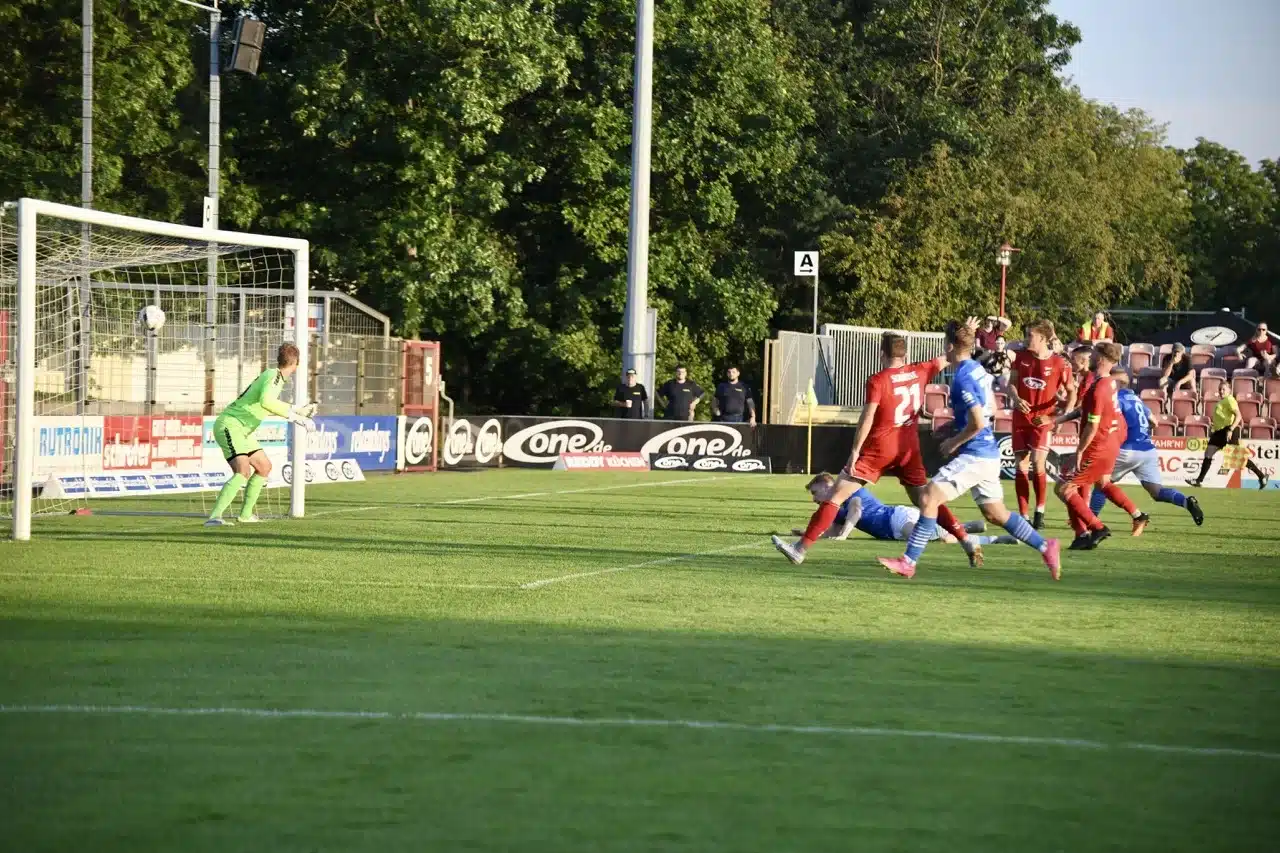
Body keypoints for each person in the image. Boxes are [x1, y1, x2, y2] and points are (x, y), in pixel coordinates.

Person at [770, 330, 987, 568]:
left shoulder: (878, 380)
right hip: (908, 450)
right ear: (905, 354)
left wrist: (855, 450)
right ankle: (966, 541)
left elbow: (868, 417)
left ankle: (800, 549)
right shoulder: (920, 369)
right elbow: (949, 355)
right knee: (927, 501)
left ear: (882, 354)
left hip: (879, 449)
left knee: (836, 496)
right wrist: (965, 334)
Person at [874, 322, 1061, 580]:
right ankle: (1045, 546)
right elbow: (992, 411)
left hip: (975, 454)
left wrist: (955, 441)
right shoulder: (977, 369)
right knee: (995, 513)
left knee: (928, 497)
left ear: (949, 346)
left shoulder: (962, 377)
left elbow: (980, 422)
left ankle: (908, 561)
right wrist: (956, 425)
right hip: (987, 454)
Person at [206, 342, 316, 527]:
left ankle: (245, 515)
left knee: (264, 467)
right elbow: (266, 401)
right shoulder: (274, 376)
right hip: (231, 425)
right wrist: (296, 417)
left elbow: (269, 401)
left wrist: (298, 410)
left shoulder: (274, 376)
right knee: (242, 471)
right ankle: (214, 517)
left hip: (243, 429)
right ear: (296, 363)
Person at [1088, 369, 1204, 526]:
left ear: (1118, 383)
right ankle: (1186, 501)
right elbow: (1154, 422)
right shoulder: (1136, 399)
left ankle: (1089, 519)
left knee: (1102, 483)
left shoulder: (1116, 399)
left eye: (1111, 381)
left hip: (1127, 450)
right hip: (1147, 450)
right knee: (1157, 492)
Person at [792, 474, 1016, 546]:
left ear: (827, 485)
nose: (814, 499)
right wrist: (809, 533)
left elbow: (857, 510)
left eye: (815, 492)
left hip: (897, 519)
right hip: (893, 530)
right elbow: (832, 530)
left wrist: (844, 535)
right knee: (942, 539)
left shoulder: (847, 492)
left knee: (941, 540)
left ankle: (992, 537)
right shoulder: (835, 506)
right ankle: (973, 529)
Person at [1053, 342, 1126, 551]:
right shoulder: (1108, 382)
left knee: (1065, 488)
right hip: (1106, 445)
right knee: (1069, 486)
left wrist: (1079, 451)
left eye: (1093, 354)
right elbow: (1085, 411)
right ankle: (1081, 535)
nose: (1090, 357)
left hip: (1097, 447)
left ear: (1101, 359)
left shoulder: (1099, 387)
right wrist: (1058, 421)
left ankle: (1097, 528)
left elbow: (1093, 425)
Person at [1006, 320, 1073, 529]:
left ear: (1042, 339)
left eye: (1030, 335)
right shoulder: (1021, 358)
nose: (1026, 339)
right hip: (1020, 419)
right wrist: (1016, 399)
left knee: (1038, 462)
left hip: (1043, 420)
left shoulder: (1060, 363)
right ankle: (1024, 516)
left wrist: (1063, 416)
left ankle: (1040, 511)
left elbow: (1072, 391)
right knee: (1021, 466)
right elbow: (1011, 385)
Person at [1187, 386, 1269, 489]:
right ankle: (1198, 481)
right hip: (1218, 432)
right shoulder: (1222, 401)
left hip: (1227, 431)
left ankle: (1262, 476)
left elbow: (1239, 416)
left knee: (1239, 458)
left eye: (1223, 389)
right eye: (1220, 389)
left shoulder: (1230, 400)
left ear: (1229, 390)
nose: (1221, 391)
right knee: (1208, 453)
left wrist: (1230, 429)